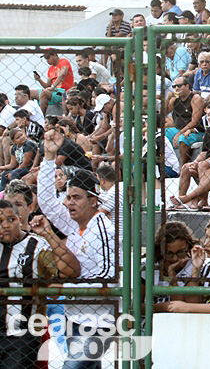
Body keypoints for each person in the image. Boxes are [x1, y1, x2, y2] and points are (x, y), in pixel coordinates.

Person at [38, 130, 116, 369]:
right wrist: (49, 157)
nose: (68, 202)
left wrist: (65, 287)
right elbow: (46, 201)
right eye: (68, 197)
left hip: (99, 321)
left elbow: (106, 276)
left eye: (76, 198)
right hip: (73, 316)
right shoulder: (74, 223)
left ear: (93, 200)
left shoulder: (103, 229)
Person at [0, 198, 80, 368]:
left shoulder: (37, 246)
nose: (6, 225)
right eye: (0, 222)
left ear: (20, 219)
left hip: (22, 334)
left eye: (11, 219)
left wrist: (49, 235)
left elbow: (71, 271)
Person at [165, 77, 204, 165]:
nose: (176, 88)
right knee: (163, 133)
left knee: (183, 139)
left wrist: (179, 134)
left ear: (186, 86)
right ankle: (167, 164)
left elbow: (194, 122)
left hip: (195, 130)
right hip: (178, 129)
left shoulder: (195, 99)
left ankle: (182, 166)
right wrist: (167, 99)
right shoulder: (175, 99)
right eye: (174, 86)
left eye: (179, 86)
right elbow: (164, 113)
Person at [33, 49, 74, 113]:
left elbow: (62, 74)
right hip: (54, 91)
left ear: (55, 55)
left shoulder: (63, 62)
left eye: (48, 58)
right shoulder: (50, 69)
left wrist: (53, 86)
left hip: (63, 91)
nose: (47, 60)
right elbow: (47, 86)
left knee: (44, 93)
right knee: (30, 93)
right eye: (45, 58)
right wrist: (39, 79)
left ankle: (41, 116)